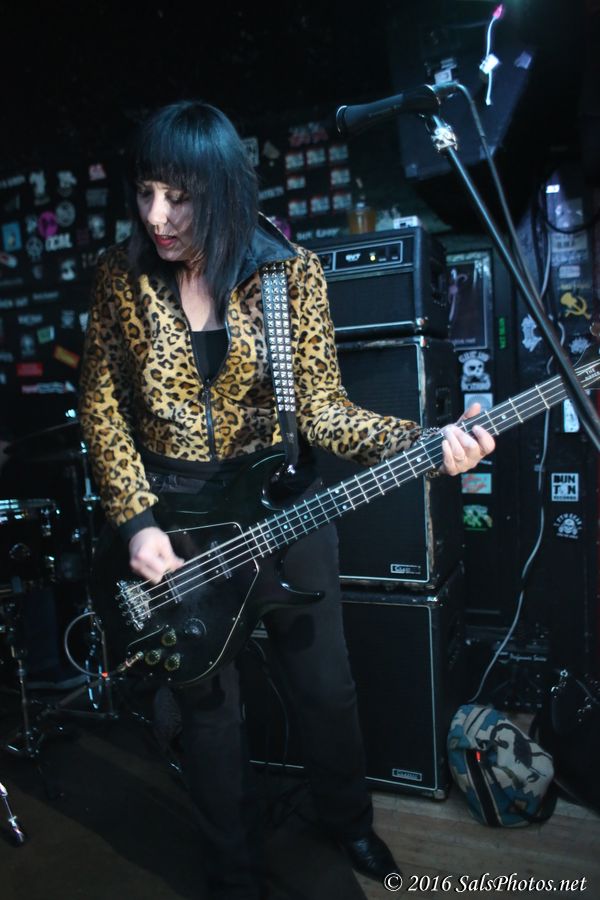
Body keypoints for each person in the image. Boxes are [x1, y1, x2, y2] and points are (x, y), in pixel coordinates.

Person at [78, 100, 495, 900]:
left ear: (223, 190)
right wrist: (135, 523)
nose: (158, 217)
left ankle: (348, 822)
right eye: (147, 193)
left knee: (325, 689)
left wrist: (424, 443)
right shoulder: (118, 278)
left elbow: (326, 409)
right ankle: (233, 871)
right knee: (209, 712)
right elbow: (101, 408)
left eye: (179, 197)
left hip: (281, 507)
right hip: (175, 519)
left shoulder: (285, 272)